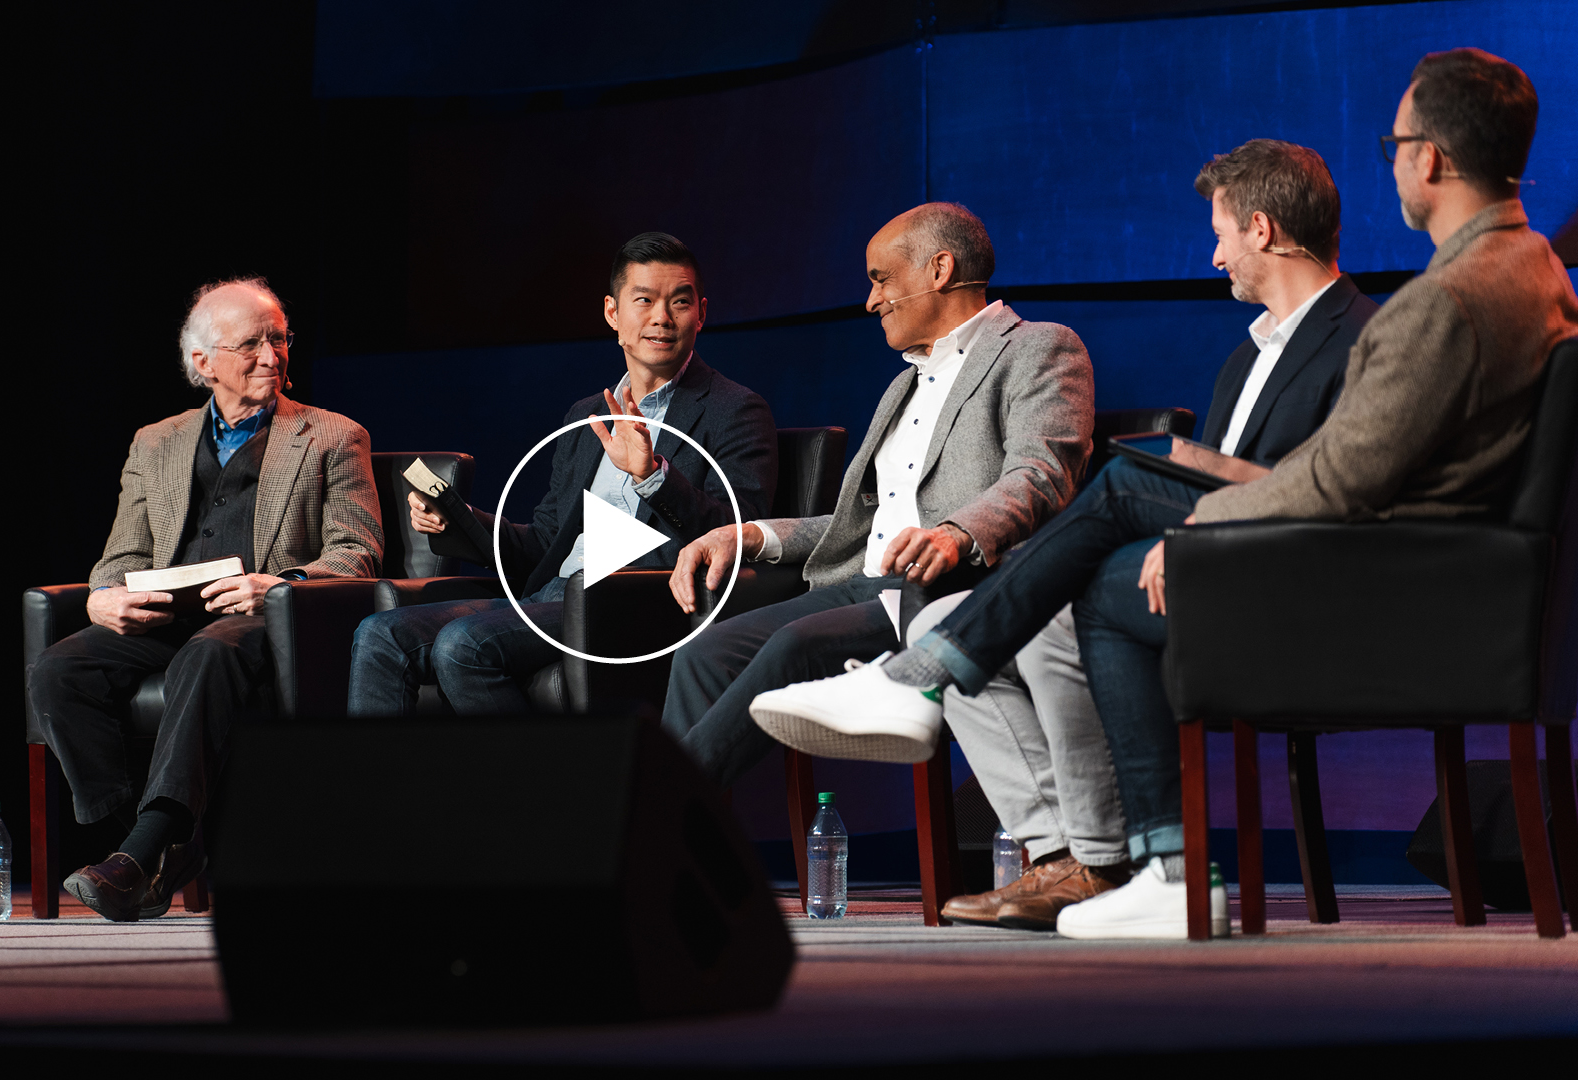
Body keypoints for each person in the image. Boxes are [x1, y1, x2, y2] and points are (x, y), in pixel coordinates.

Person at [751, 49, 1578, 939]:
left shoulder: (1446, 298)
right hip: (1409, 561)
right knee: (1129, 495)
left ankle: (960, 706)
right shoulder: (1529, 270)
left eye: (1397, 140)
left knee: (1117, 532)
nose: (1393, 160)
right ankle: (993, 730)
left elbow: (1341, 480)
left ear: (1432, 158)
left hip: (1376, 578)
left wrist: (1197, 527)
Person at [930, 139, 1380, 931]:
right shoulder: (1246, 360)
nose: (1213, 258)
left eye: (1221, 234)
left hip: (1300, 590)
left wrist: (1197, 532)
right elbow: (1216, 482)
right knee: (997, 615)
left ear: (1263, 229)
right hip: (1219, 570)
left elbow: (1328, 489)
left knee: (1066, 593)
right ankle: (1081, 857)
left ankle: (1117, 863)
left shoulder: (1362, 339)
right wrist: (1195, 527)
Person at [661, 202, 1094, 787]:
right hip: (861, 584)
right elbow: (855, 523)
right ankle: (684, 860)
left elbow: (1041, 474)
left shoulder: (1039, 348)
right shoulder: (902, 384)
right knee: (703, 652)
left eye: (880, 278)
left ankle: (648, 822)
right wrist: (748, 536)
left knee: (793, 648)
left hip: (948, 591)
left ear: (939, 270)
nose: (870, 301)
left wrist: (956, 534)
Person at [28, 276, 383, 921]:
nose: (272, 356)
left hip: (260, 617)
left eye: (280, 339)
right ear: (203, 363)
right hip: (168, 611)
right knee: (58, 671)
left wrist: (277, 585)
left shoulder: (333, 435)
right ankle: (150, 845)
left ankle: (143, 850)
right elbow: (120, 558)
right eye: (252, 344)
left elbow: (356, 552)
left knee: (206, 656)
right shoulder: (155, 441)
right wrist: (102, 599)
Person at [347, 233, 777, 715]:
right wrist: (458, 518)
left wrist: (653, 475)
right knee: (380, 635)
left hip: (632, 602)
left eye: (679, 302)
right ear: (613, 314)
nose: (662, 317)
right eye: (645, 301)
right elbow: (543, 542)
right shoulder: (587, 414)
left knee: (463, 646)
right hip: (554, 594)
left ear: (700, 313)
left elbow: (742, 530)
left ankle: (543, 789)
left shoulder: (734, 409)